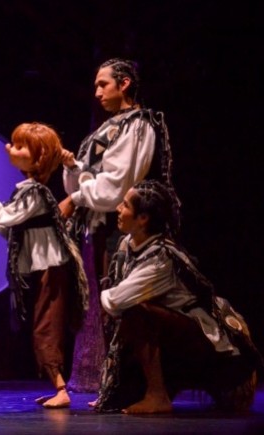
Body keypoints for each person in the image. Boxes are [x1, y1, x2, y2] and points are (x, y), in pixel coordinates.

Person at [58, 58, 179, 392]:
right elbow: (91, 181)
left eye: (103, 84)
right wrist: (73, 169)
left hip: (125, 228)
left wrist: (76, 198)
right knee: (106, 304)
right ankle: (115, 384)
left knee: (124, 304)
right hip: (103, 226)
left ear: (124, 83)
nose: (97, 92)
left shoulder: (137, 124)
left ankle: (134, 386)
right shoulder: (109, 127)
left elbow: (117, 185)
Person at [94, 180, 262, 414]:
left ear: (143, 218)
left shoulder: (161, 258)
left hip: (209, 348)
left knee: (137, 313)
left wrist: (97, 300)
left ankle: (157, 395)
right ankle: (157, 387)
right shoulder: (128, 244)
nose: (118, 209)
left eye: (125, 205)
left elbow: (116, 301)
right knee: (132, 320)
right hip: (173, 335)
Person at [0, 122, 89, 408]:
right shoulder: (28, 191)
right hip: (42, 267)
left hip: (51, 266)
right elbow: (5, 226)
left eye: (20, 146)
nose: (10, 148)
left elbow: (4, 218)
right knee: (41, 325)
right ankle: (57, 386)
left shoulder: (35, 193)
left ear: (39, 157)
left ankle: (61, 389)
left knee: (47, 326)